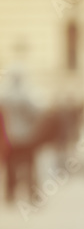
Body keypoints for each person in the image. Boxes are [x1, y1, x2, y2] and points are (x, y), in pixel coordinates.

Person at [0, 65, 43, 203]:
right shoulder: (26, 95)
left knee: (11, 166)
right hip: (27, 137)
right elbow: (35, 114)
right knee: (29, 165)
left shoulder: (4, 96)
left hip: (10, 137)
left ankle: (10, 194)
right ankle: (32, 193)